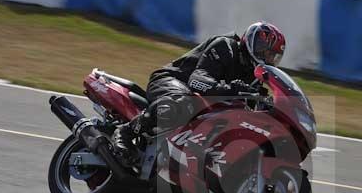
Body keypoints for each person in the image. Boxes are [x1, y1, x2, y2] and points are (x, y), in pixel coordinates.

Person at [112, 21, 286, 166]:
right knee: (183, 101)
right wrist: (230, 89)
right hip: (172, 81)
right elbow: (197, 80)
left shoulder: (254, 76)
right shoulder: (226, 46)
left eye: (273, 56)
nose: (268, 59)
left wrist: (272, 109)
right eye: (267, 52)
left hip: (196, 101)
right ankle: (126, 132)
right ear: (254, 43)